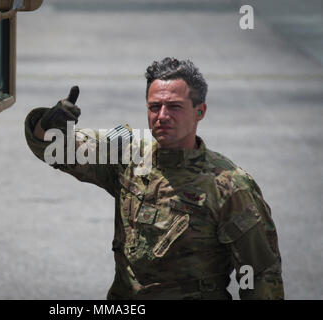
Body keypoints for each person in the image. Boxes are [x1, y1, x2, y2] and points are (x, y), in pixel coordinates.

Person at [24, 57, 284, 299]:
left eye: (174, 107)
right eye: (154, 107)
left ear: (200, 111)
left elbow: (261, 274)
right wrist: (52, 125)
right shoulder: (127, 155)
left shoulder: (229, 187)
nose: (162, 116)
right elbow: (54, 150)